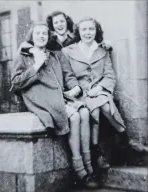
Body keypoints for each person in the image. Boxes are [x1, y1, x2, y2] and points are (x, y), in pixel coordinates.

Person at [10, 22, 99, 189]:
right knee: (74, 116)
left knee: (85, 112)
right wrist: (36, 65)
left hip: (60, 96)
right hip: (40, 99)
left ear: (49, 36)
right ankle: (80, 170)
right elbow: (15, 83)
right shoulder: (23, 57)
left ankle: (89, 164)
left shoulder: (56, 55)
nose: (42, 36)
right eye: (38, 33)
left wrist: (75, 87)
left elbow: (69, 75)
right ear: (32, 37)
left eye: (44, 33)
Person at [62, 17, 145, 167]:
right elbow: (68, 75)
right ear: (78, 32)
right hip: (80, 93)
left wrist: (99, 88)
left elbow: (109, 75)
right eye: (84, 29)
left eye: (91, 29)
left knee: (104, 105)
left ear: (97, 31)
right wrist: (77, 89)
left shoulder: (103, 50)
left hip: (100, 89)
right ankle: (121, 141)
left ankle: (100, 151)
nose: (88, 33)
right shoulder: (68, 51)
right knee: (100, 108)